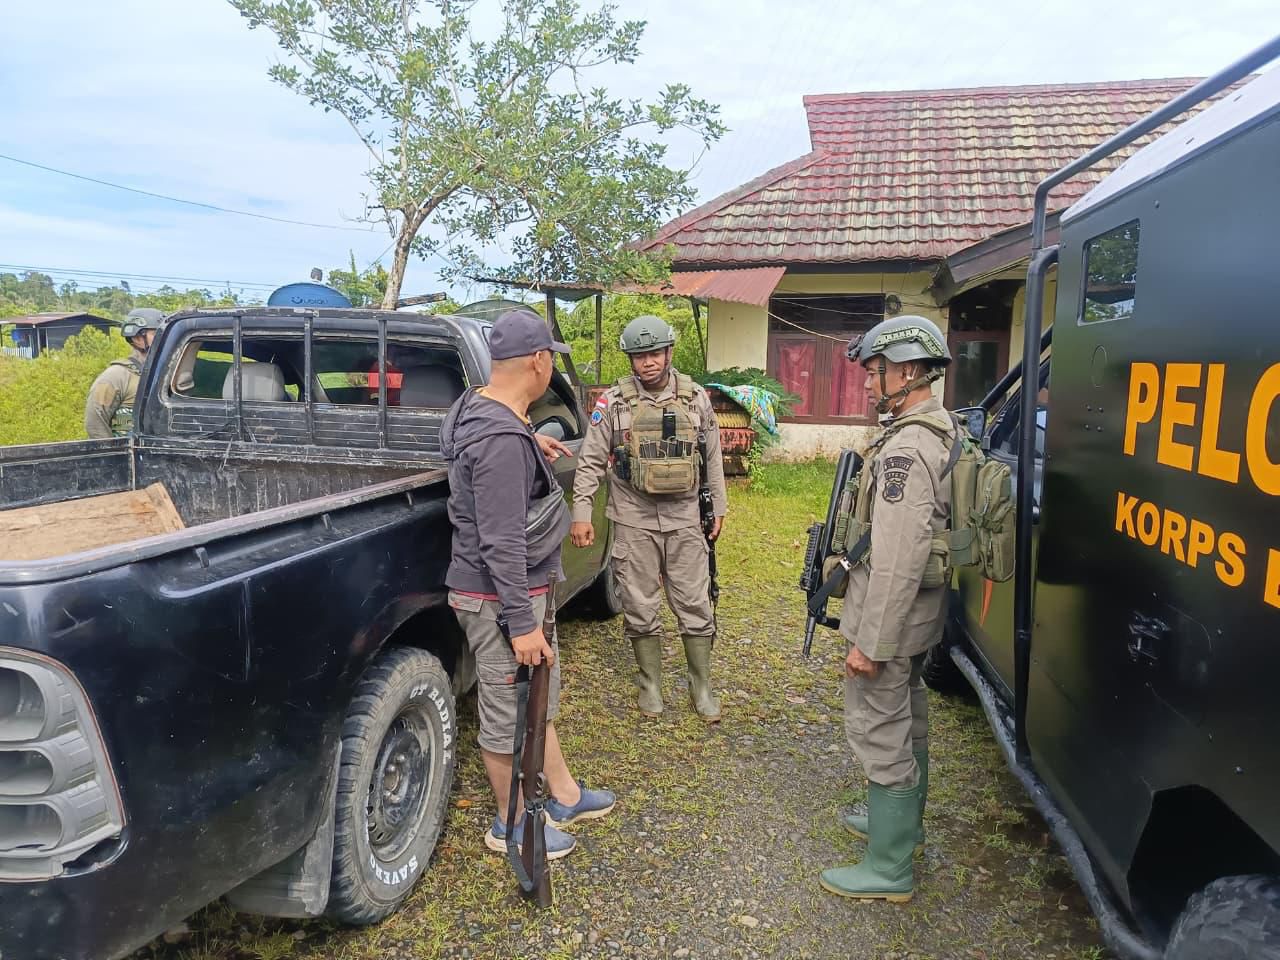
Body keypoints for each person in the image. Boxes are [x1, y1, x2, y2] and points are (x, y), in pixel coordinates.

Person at [441, 307, 615, 860]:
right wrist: (520, 623)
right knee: (506, 711)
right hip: (499, 600)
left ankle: (563, 795)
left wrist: (528, 442)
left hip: (521, 591)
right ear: (539, 361)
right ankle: (510, 823)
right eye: (550, 361)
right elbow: (500, 541)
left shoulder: (486, 410)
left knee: (539, 694)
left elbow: (488, 464)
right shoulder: (499, 440)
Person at [820, 315, 956, 903]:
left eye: (875, 371)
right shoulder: (937, 429)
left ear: (907, 371)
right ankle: (902, 830)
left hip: (891, 622)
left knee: (881, 729)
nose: (869, 382)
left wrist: (870, 644)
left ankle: (888, 867)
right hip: (916, 618)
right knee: (909, 717)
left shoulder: (907, 448)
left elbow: (900, 556)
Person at [570, 315, 728, 722]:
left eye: (655, 353)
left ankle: (701, 686)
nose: (648, 362)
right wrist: (582, 512)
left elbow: (712, 457)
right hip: (633, 517)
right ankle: (650, 685)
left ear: (669, 352)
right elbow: (590, 461)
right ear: (631, 359)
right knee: (639, 603)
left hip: (685, 517)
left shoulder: (696, 398)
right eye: (640, 356)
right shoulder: (612, 402)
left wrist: (718, 508)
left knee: (694, 602)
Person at [84, 308, 164, 439]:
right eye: (157, 334)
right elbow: (95, 422)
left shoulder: (165, 373)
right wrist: (113, 450)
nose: (164, 339)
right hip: (127, 450)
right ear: (138, 338)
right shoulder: (116, 376)